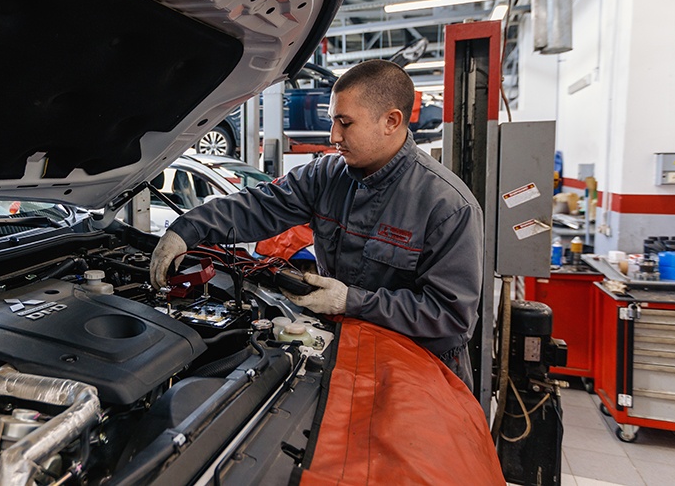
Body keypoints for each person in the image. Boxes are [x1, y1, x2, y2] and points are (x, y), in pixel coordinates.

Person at [150, 59, 483, 390]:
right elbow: (261, 205)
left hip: (419, 377)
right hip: (342, 352)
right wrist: (187, 230)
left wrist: (351, 301)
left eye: (345, 122)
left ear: (391, 121)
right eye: (332, 120)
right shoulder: (327, 176)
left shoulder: (448, 206)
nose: (333, 135)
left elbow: (449, 316)